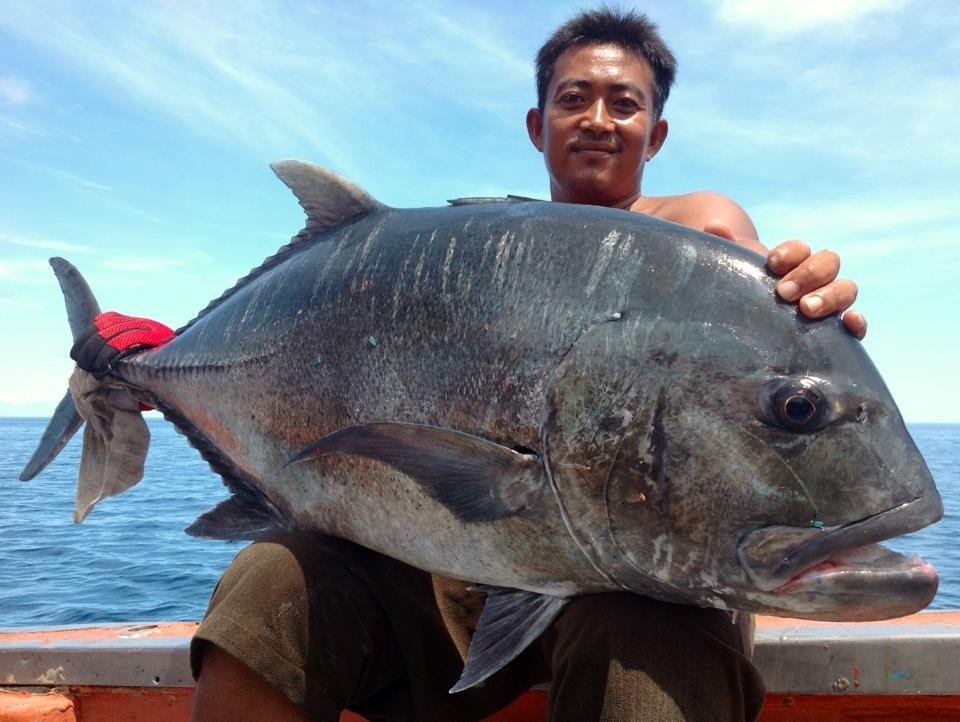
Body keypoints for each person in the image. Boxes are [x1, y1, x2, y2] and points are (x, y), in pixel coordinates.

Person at [74, 9, 865, 722]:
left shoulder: (697, 236)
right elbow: (335, 362)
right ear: (537, 123)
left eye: (624, 103)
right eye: (573, 98)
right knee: (270, 582)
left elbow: (736, 301)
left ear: (656, 134)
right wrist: (159, 364)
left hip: (626, 585)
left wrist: (798, 301)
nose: (597, 119)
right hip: (451, 579)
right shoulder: (485, 263)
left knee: (648, 635)